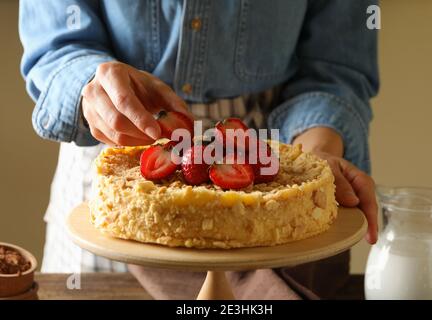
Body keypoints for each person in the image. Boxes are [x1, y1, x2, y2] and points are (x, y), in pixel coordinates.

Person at [19, 0, 379, 299]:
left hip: (271, 164)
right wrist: (90, 83)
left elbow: (336, 67)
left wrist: (314, 155)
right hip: (120, 151)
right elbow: (54, 43)